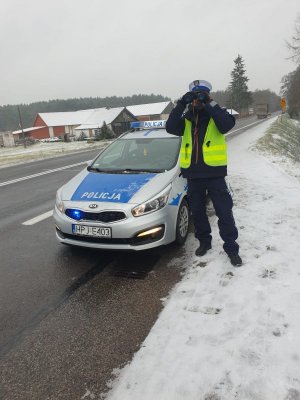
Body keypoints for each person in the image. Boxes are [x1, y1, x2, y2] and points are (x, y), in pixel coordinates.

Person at [166, 80, 242, 267]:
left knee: (224, 212)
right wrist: (180, 104)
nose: (197, 100)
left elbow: (226, 125)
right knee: (198, 212)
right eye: (194, 96)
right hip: (193, 176)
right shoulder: (186, 118)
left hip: (215, 175)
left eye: (201, 96)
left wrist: (209, 103)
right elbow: (170, 128)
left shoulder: (217, 115)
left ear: (208, 96)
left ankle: (231, 248)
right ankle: (204, 243)